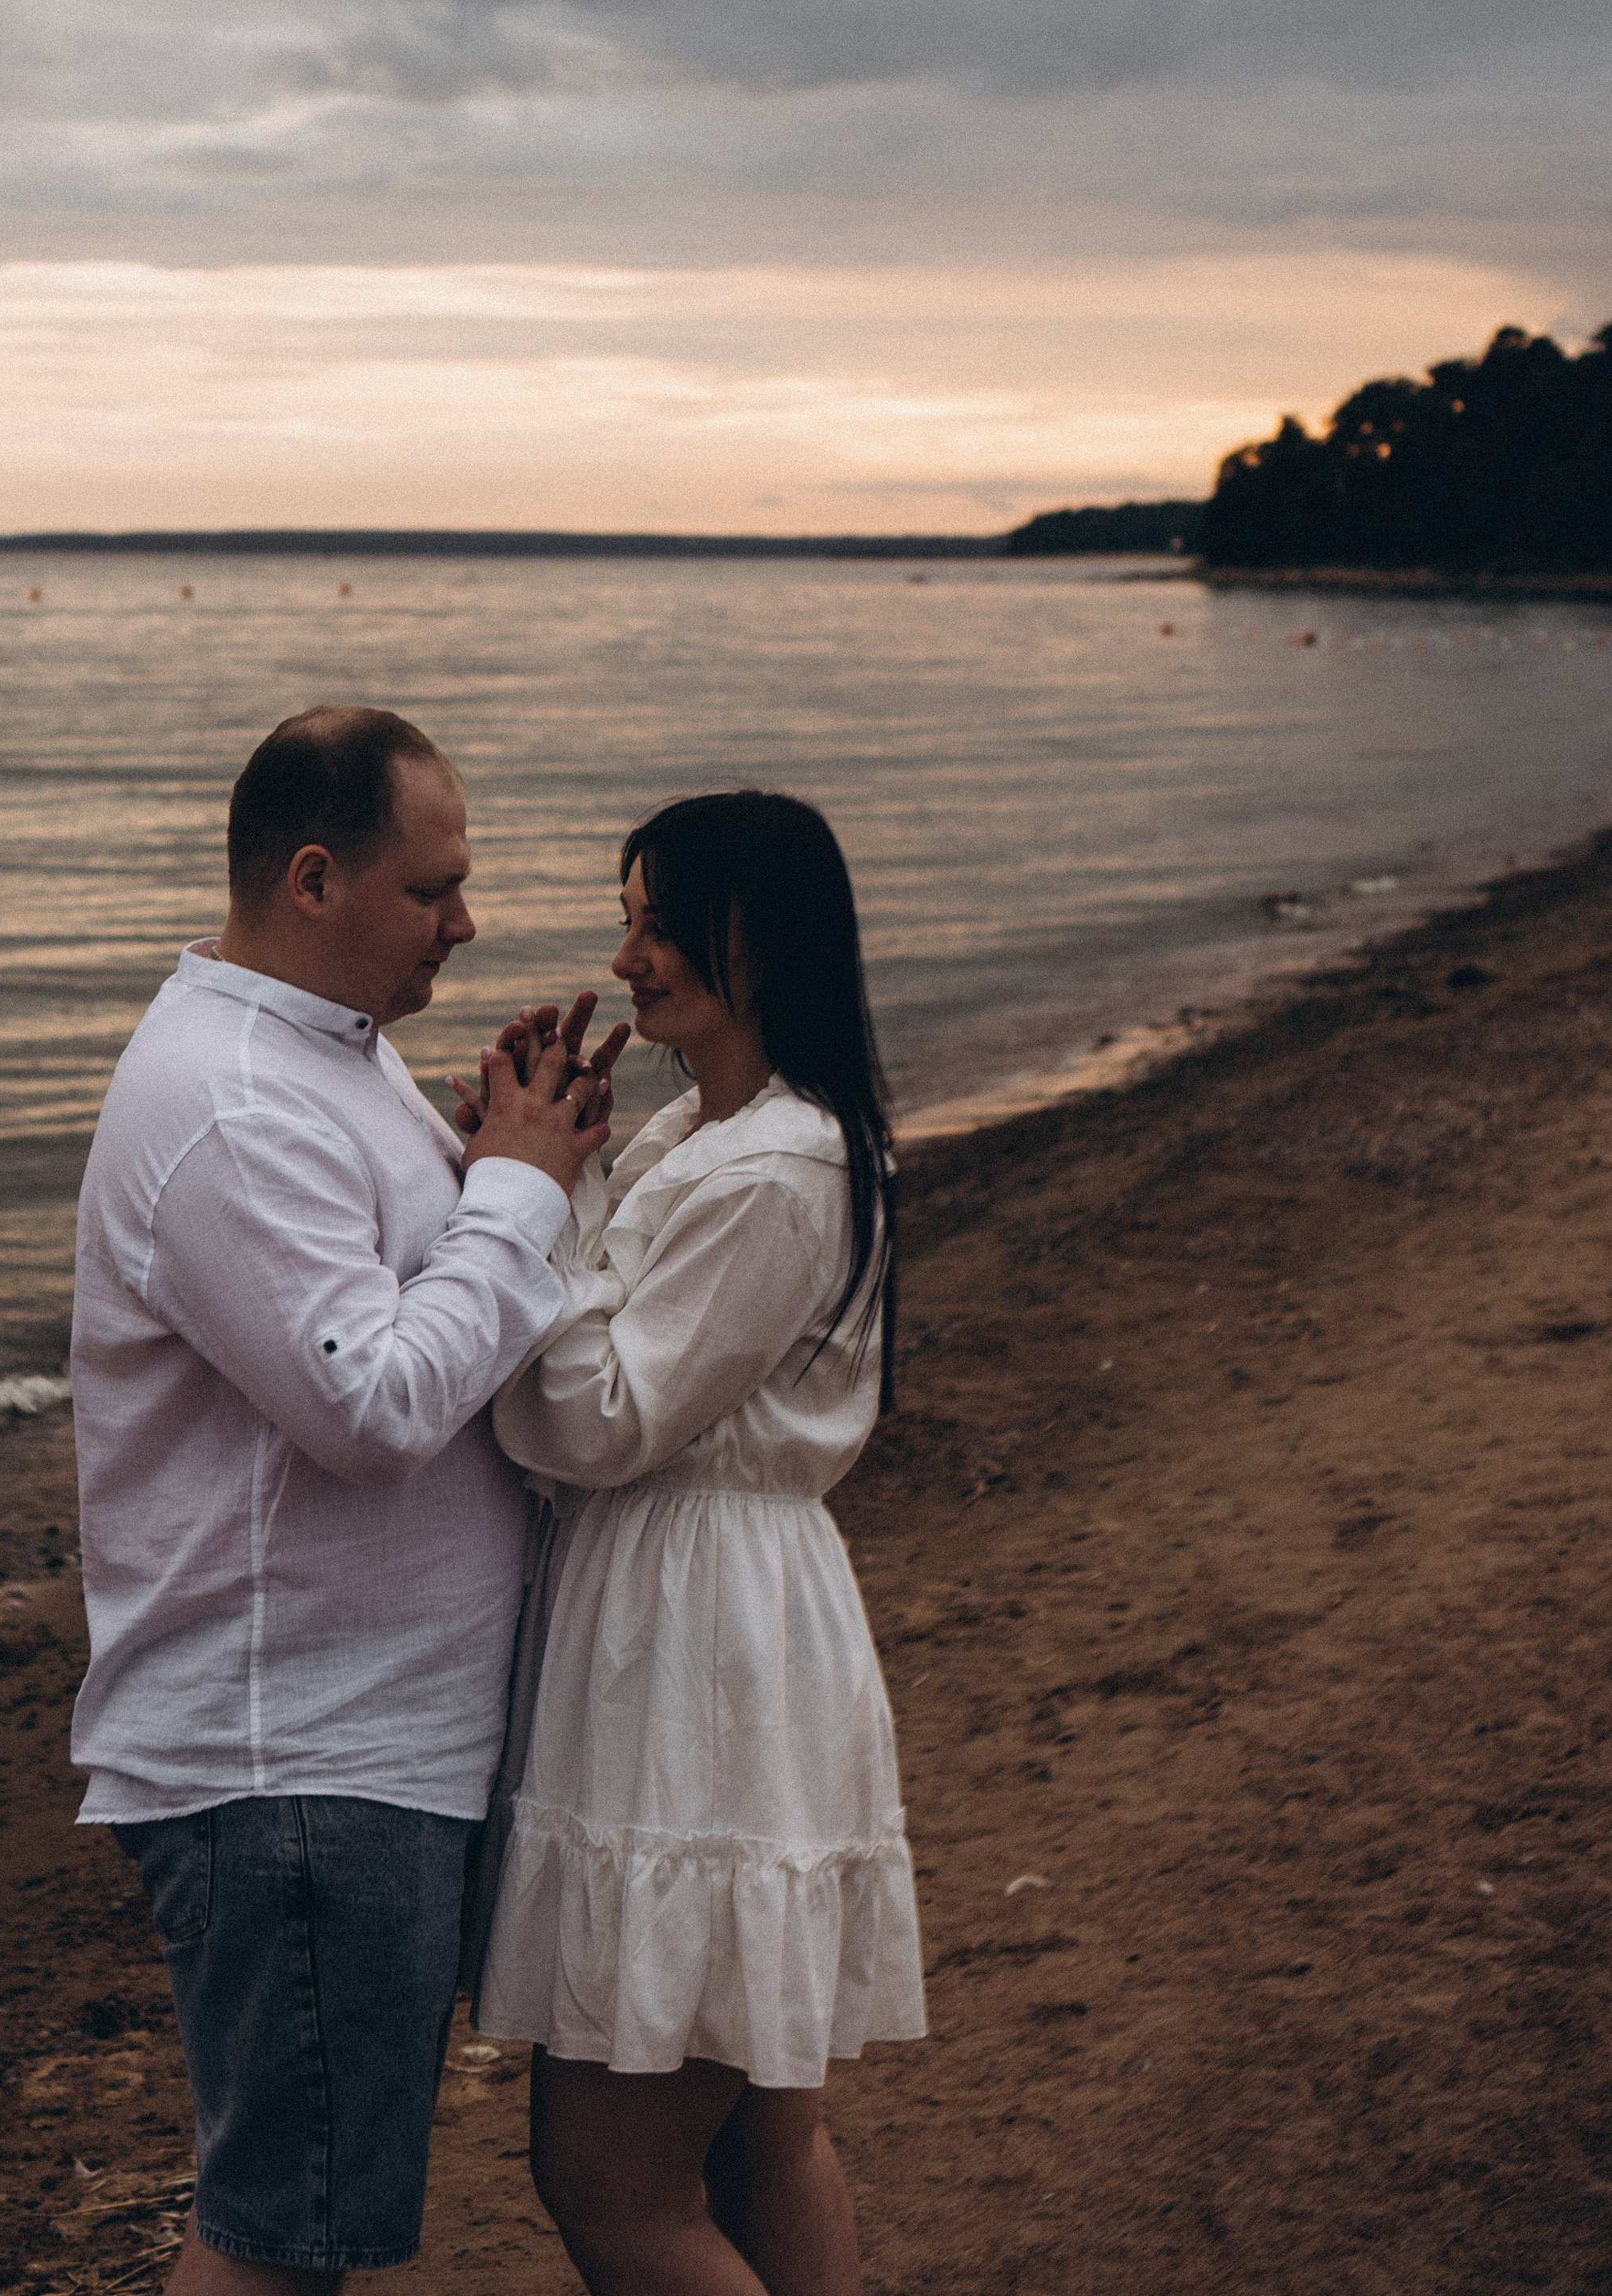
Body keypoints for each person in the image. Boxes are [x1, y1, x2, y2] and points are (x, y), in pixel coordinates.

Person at [69, 706, 621, 2296]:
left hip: (362, 1745)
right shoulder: (232, 1100)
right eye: (433, 890)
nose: (467, 922)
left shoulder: (332, 1057)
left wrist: (502, 1159)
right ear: (314, 881)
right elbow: (370, 1404)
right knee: (280, 2238)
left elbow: (399, 1306)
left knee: (308, 2220)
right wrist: (516, 1190)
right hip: (295, 1759)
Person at [462, 790, 926, 2296]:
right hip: (724, 1610)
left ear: (761, 936)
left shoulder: (773, 1171)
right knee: (754, 2144)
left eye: (663, 921)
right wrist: (564, 1157)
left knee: (608, 2178)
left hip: (695, 1636)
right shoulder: (711, 1134)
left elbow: (601, 1417)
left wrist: (522, 1197)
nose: (630, 952)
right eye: (632, 915)